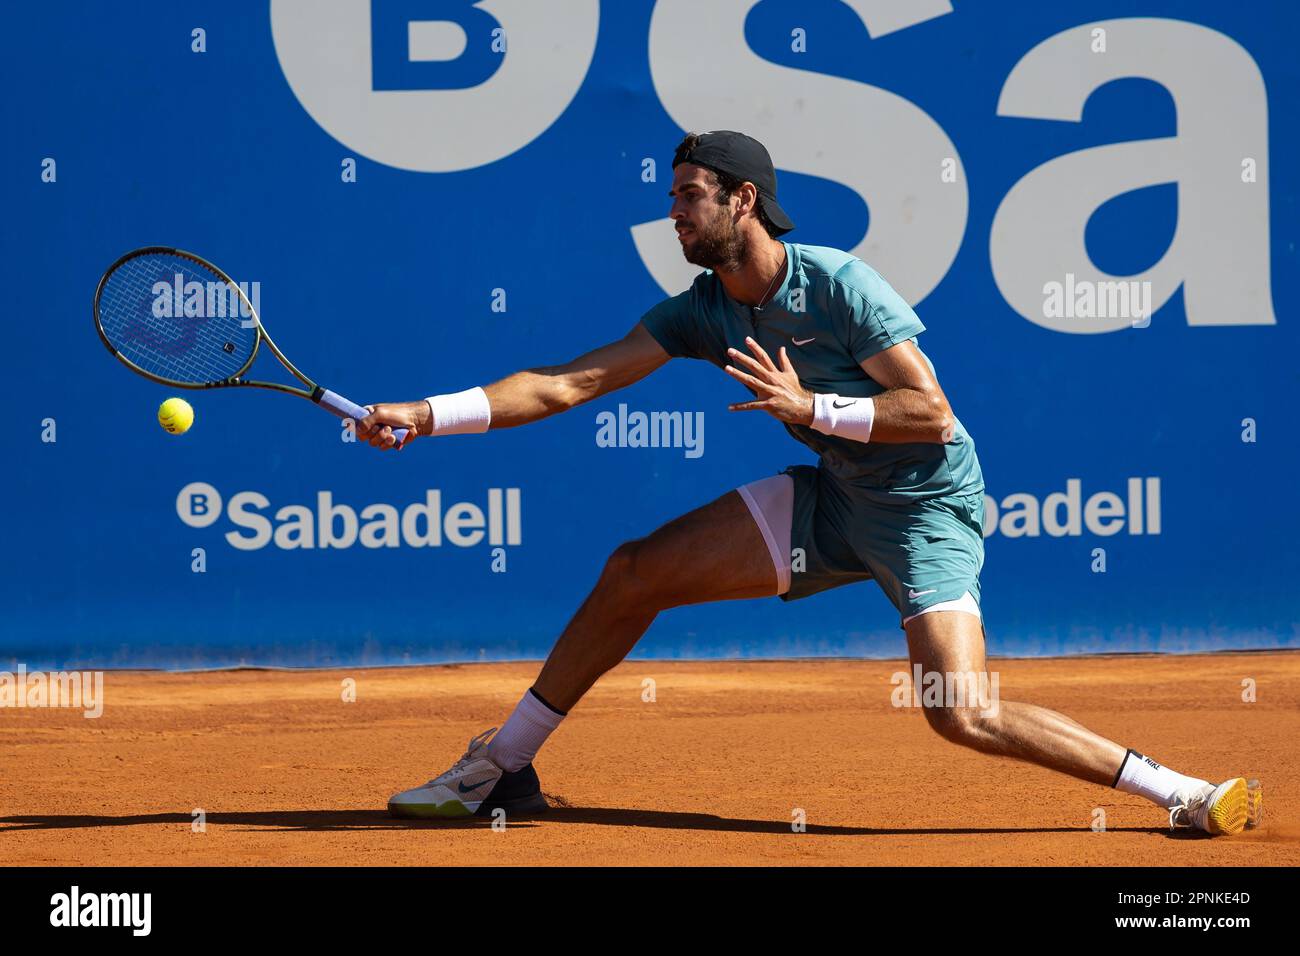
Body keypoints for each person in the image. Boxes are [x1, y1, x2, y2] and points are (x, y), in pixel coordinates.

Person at [358, 131, 1261, 836]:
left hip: (923, 506)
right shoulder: (703, 310)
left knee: (960, 711)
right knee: (635, 572)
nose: (672, 214)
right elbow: (568, 382)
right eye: (671, 198)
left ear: (741, 199)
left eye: (687, 197)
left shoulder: (839, 284)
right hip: (834, 502)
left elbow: (931, 413)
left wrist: (816, 406)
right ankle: (504, 767)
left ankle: (1178, 790)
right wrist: (422, 413)